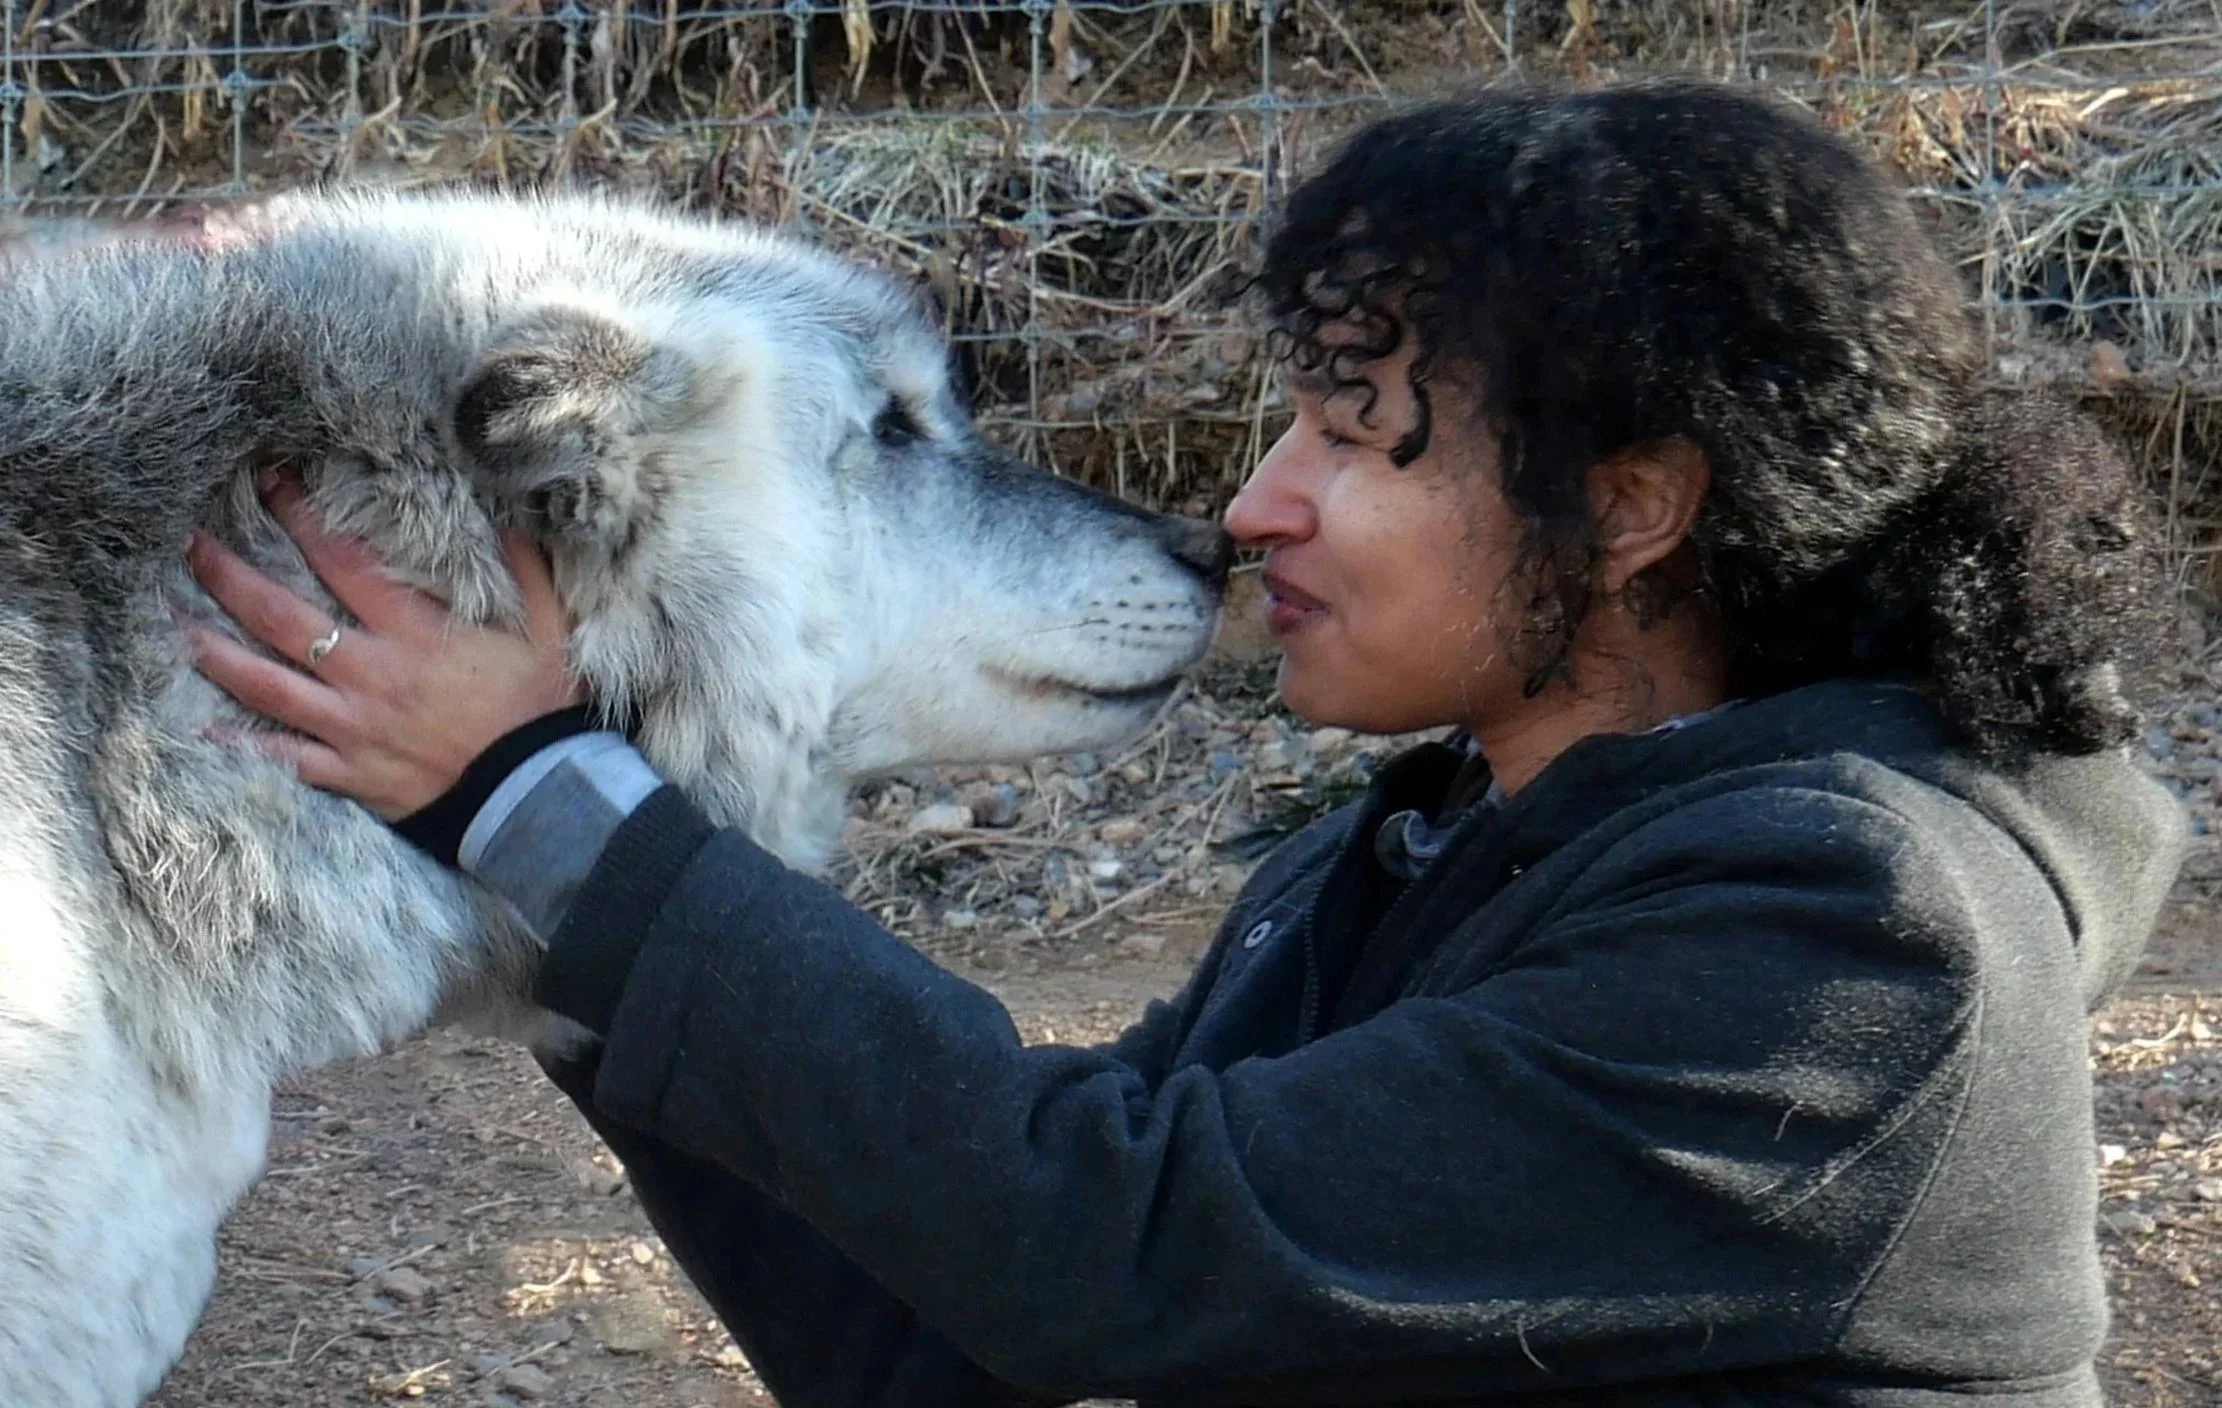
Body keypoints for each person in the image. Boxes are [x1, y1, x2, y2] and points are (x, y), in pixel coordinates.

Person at [182, 77, 2187, 1408]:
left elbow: (1104, 1239)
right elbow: (956, 1330)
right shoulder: (1429, 854)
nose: (1253, 503)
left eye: (1353, 432)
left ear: (1633, 505)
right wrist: (575, 884)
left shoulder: (1842, 938)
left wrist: (562, 810)